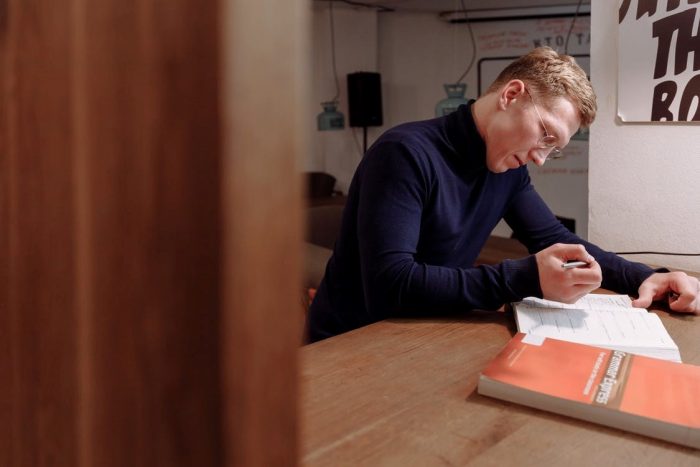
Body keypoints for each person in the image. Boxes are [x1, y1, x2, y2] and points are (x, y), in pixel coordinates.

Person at [306, 46, 699, 343]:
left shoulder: (507, 168)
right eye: (545, 135)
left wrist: (650, 278)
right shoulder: (404, 154)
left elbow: (557, 241)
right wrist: (526, 276)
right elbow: (390, 288)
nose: (542, 159)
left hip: (423, 332)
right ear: (512, 95)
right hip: (349, 344)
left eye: (555, 147)